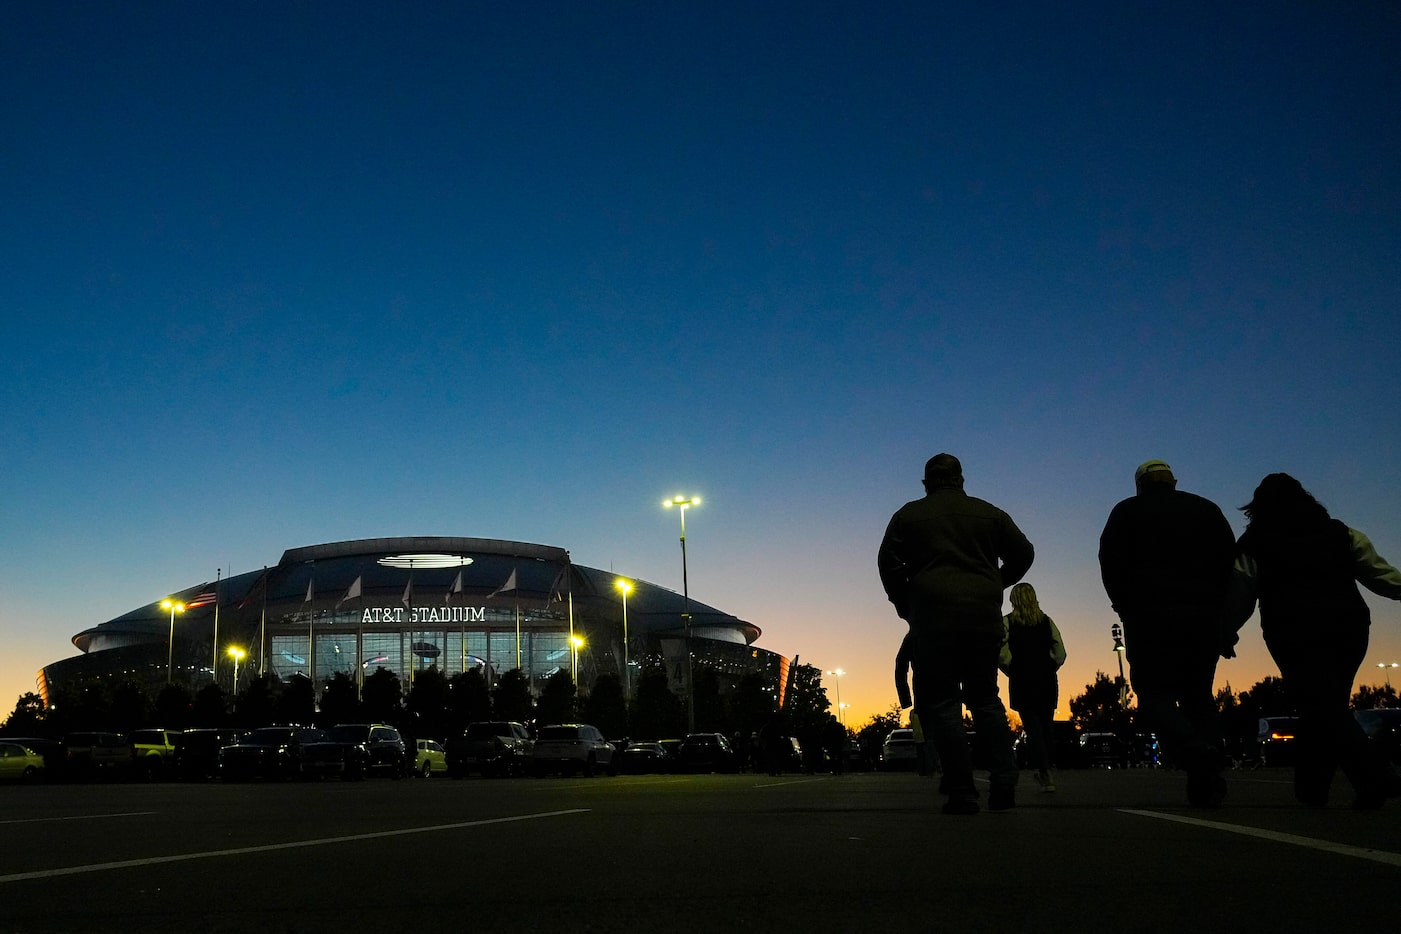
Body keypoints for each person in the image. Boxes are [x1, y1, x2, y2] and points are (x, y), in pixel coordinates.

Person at [1229, 473, 1401, 808]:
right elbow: (1381, 576)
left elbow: (1241, 593)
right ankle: (1314, 790)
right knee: (1324, 705)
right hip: (1348, 627)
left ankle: (1375, 779)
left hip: (1292, 631)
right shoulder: (1342, 533)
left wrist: (1225, 631)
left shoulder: (1253, 543)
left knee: (1319, 705)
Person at [879, 453, 1034, 814]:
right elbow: (1023, 553)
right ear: (961, 479)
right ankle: (1004, 781)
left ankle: (962, 790)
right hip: (982, 617)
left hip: (933, 619)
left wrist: (907, 603)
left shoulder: (907, 516)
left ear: (926, 482)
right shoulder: (990, 513)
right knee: (985, 697)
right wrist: (995, 582)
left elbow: (888, 565)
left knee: (944, 703)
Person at [1099, 459, 1237, 807]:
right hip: (1203, 616)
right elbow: (1228, 563)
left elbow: (1110, 561)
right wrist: (1222, 613)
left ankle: (1194, 750)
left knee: (1154, 694)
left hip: (1149, 617)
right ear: (1173, 481)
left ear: (1140, 484)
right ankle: (1208, 781)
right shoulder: (1206, 510)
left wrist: (1122, 604)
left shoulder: (1127, 512)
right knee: (1199, 695)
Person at [1000, 582, 1066, 792]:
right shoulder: (1047, 621)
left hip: (1022, 679)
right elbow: (1060, 651)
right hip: (1046, 679)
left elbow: (1001, 652)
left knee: (1033, 726)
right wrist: (1049, 665)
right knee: (1046, 725)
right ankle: (1048, 770)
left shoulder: (1007, 622)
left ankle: (1044, 771)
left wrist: (1012, 667)